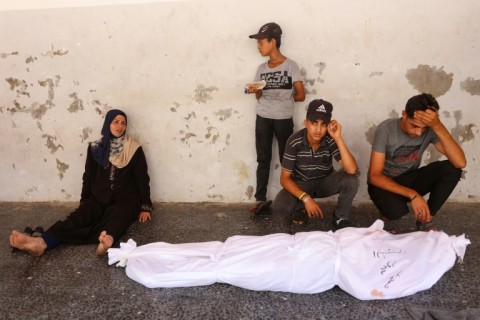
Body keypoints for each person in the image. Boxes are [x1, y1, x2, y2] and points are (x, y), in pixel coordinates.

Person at [9, 109, 153, 256]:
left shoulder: (134, 148)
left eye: (123, 123)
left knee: (118, 218)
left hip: (126, 198)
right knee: (78, 218)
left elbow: (142, 178)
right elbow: (88, 176)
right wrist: (85, 202)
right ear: (107, 124)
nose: (120, 126)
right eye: (115, 122)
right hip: (99, 197)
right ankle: (41, 243)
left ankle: (105, 243)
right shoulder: (95, 148)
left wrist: (145, 206)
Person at [368, 93, 467, 233]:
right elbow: (374, 176)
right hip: (383, 184)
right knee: (395, 211)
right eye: (414, 126)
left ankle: (425, 219)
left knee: (452, 169)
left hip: (409, 178)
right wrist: (413, 195)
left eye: (424, 128)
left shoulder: (431, 129)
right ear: (404, 114)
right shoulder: (386, 129)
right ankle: (386, 216)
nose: (419, 133)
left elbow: (460, 162)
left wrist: (438, 126)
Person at [246, 22, 305, 215]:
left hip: (283, 118)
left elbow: (301, 95)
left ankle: (293, 199)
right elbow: (259, 96)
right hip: (263, 116)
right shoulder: (261, 68)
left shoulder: (291, 66)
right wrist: (255, 90)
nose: (258, 46)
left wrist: (283, 101)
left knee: (286, 159)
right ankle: (260, 199)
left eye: (261, 42)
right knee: (263, 158)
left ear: (273, 42)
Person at [272, 99, 358, 230]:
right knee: (280, 206)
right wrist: (306, 199)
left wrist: (338, 138)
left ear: (329, 125)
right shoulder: (294, 141)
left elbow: (351, 169)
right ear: (306, 123)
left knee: (351, 179)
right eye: (314, 123)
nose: (318, 129)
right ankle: (301, 210)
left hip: (325, 183)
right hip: (302, 183)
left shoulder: (330, 139)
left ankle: (340, 218)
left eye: (323, 124)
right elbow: (284, 179)